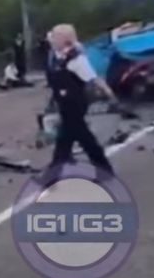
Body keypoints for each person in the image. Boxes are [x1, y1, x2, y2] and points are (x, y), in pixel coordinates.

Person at [45, 24, 118, 174]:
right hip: (63, 102)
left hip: (75, 103)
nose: (52, 39)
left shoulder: (77, 59)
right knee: (68, 136)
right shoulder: (57, 55)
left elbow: (93, 78)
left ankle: (102, 168)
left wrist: (108, 93)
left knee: (78, 136)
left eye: (56, 36)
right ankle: (59, 164)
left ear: (65, 40)